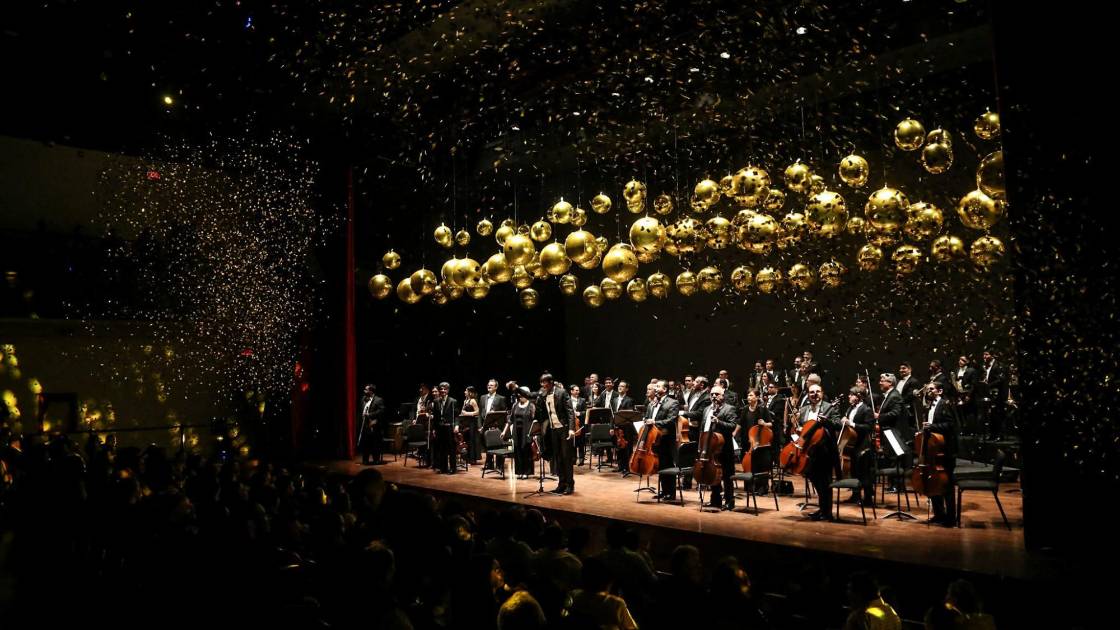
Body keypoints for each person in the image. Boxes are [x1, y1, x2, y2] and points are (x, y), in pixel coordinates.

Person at [799, 383, 839, 521]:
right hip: (809, 451)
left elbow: (838, 424)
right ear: (808, 395)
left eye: (817, 391)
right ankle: (822, 509)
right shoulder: (804, 410)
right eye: (811, 392)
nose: (814, 394)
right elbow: (803, 427)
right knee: (814, 478)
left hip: (824, 450)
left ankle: (827, 512)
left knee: (825, 482)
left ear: (822, 393)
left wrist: (826, 422)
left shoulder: (829, 407)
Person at [922, 381, 960, 526]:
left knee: (947, 484)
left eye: (931, 389)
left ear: (940, 391)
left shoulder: (945, 404)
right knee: (933, 482)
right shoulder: (929, 406)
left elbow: (951, 425)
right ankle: (938, 514)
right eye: (927, 389)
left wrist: (932, 426)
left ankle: (950, 518)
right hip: (934, 450)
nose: (928, 391)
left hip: (945, 451)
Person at [696, 385, 738, 510]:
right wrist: (701, 445)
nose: (714, 396)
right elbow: (703, 428)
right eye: (712, 394)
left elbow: (732, 425)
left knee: (727, 475)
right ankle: (715, 500)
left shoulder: (729, 408)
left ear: (722, 395)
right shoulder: (706, 409)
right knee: (712, 473)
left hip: (724, 448)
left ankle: (729, 501)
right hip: (709, 447)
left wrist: (719, 422)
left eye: (717, 394)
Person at [537, 374, 575, 495]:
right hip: (553, 430)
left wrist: (571, 429)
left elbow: (570, 411)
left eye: (545, 382)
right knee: (558, 458)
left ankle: (570, 484)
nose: (543, 385)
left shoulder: (562, 392)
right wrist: (517, 388)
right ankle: (561, 484)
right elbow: (531, 395)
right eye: (541, 382)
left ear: (551, 382)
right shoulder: (544, 394)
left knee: (566, 458)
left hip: (564, 429)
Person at [505, 387, 536, 479]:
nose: (520, 396)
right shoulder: (515, 405)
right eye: (519, 395)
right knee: (518, 451)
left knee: (526, 451)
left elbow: (534, 419)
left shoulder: (531, 405)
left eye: (522, 394)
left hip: (527, 432)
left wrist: (534, 433)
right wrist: (504, 431)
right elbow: (510, 420)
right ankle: (519, 471)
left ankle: (526, 472)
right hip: (516, 431)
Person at [357, 384, 386, 465]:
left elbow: (381, 411)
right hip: (364, 424)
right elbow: (360, 410)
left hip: (373, 424)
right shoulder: (363, 399)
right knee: (365, 443)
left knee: (374, 443)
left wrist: (369, 415)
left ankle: (376, 460)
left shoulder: (378, 400)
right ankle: (365, 460)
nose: (364, 391)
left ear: (371, 391)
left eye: (366, 390)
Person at [461, 386, 481, 462]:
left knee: (472, 440)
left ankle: (472, 458)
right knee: (467, 440)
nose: (464, 392)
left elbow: (477, 412)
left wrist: (467, 413)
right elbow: (463, 411)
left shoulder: (473, 401)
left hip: (472, 423)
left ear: (470, 392)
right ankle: (467, 457)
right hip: (466, 423)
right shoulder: (465, 401)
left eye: (466, 391)